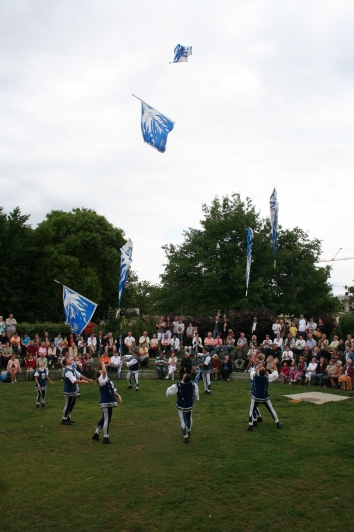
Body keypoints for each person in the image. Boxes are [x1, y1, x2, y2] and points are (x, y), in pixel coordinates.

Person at [246, 361, 283, 431]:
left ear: (259, 372)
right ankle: (277, 422)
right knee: (271, 410)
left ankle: (250, 425)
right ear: (266, 372)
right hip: (265, 397)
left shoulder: (254, 376)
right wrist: (274, 365)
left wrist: (258, 367)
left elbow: (253, 371)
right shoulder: (267, 377)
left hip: (255, 397)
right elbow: (276, 374)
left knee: (251, 411)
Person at [92, 361, 122, 444]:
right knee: (107, 419)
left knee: (104, 418)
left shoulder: (108, 380)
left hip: (108, 400)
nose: (102, 371)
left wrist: (118, 395)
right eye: (100, 371)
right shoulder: (102, 379)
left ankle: (96, 433)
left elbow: (112, 391)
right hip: (106, 401)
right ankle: (106, 437)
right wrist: (102, 362)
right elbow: (104, 371)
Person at [166, 373, 200, 444]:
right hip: (189, 405)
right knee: (189, 417)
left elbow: (168, 392)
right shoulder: (193, 385)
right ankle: (189, 431)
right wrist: (194, 398)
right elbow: (196, 394)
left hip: (181, 405)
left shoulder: (177, 386)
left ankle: (185, 437)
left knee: (183, 420)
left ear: (183, 379)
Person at [62, 357, 94, 425]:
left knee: (72, 403)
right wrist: (84, 382)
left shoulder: (72, 368)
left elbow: (79, 375)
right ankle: (64, 418)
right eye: (68, 360)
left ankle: (68, 417)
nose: (70, 360)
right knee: (68, 404)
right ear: (66, 363)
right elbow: (74, 381)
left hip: (73, 390)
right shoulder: (68, 371)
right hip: (69, 390)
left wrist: (88, 379)